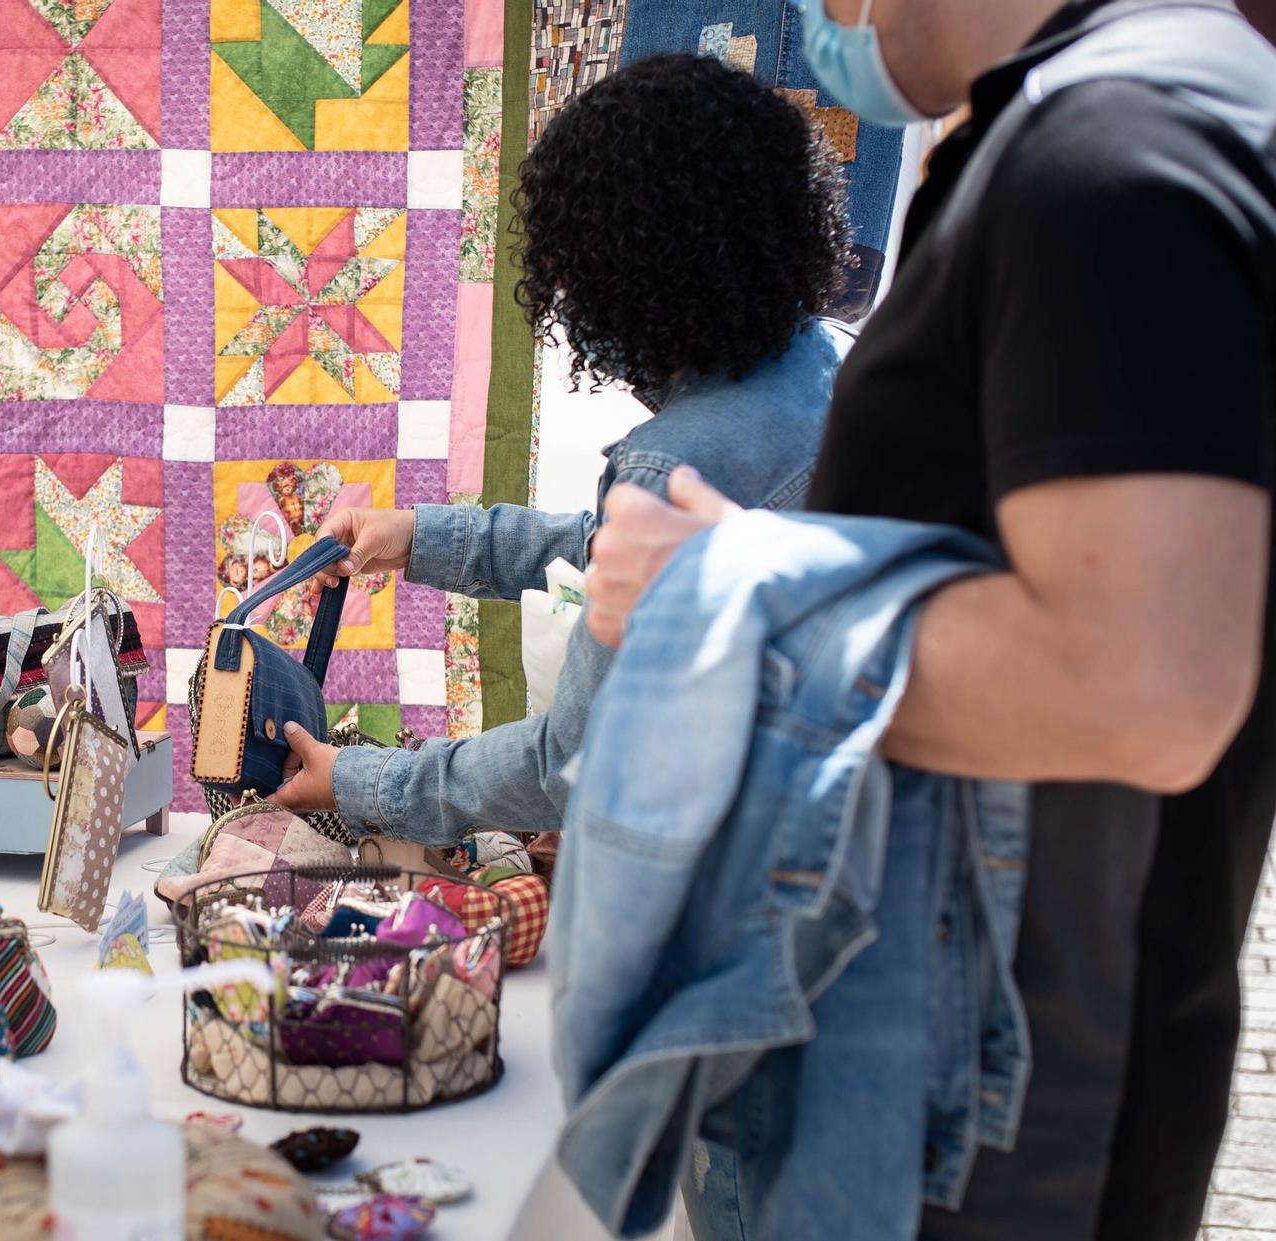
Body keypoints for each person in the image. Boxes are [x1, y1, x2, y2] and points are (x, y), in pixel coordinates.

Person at [585, 2, 1276, 1237]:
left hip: (995, 1110)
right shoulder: (1149, 111)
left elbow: (1144, 683)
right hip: (1031, 1045)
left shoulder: (1104, 162)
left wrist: (722, 590)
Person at [270, 54, 853, 842]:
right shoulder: (833, 363)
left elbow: (574, 761)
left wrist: (362, 779)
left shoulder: (672, 467)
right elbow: (606, 548)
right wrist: (422, 538)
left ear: (630, 274)